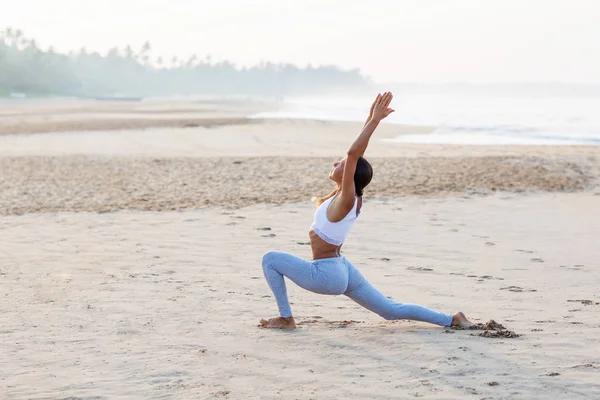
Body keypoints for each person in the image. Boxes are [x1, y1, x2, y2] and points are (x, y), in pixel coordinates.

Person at [259, 92, 472, 329]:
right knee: (390, 310)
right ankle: (451, 320)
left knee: (270, 260)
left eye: (340, 164)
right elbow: (356, 156)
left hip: (327, 275)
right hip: (342, 268)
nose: (336, 164)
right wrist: (370, 117)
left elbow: (352, 155)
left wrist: (375, 122)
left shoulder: (346, 199)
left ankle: (286, 318)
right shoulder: (350, 198)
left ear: (350, 174)